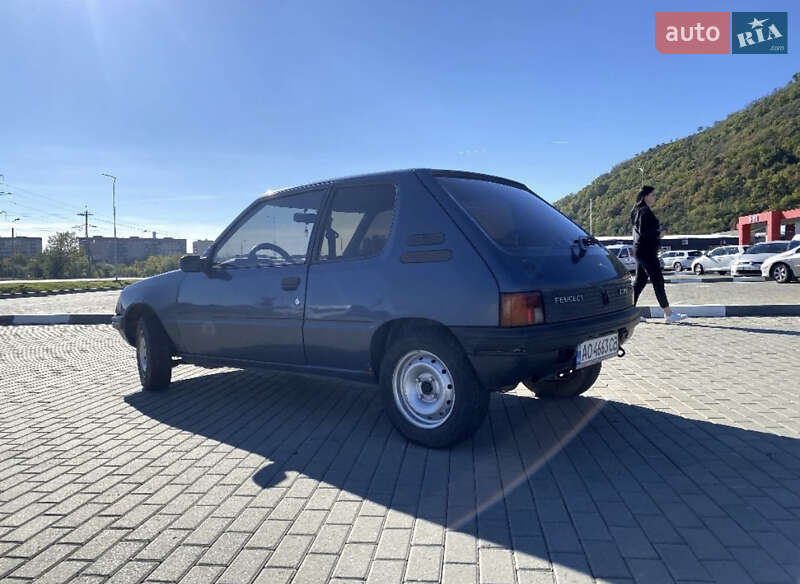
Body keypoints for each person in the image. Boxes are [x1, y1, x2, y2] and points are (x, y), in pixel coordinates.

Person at [631, 185, 687, 324]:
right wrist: (658, 233)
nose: (654, 197)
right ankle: (668, 314)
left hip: (640, 251)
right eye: (652, 195)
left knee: (639, 283)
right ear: (646, 196)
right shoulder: (644, 211)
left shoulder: (636, 210)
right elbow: (644, 231)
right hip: (647, 252)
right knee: (658, 280)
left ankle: (631, 313)